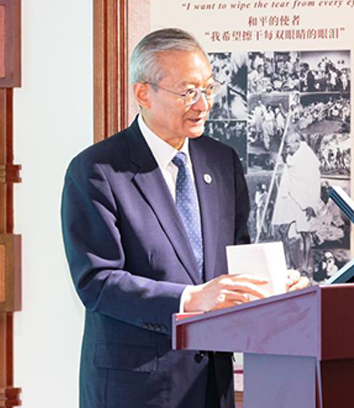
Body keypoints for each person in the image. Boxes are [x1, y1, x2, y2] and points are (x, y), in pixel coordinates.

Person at [62, 28, 309, 408]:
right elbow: (97, 282)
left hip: (212, 385)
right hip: (136, 389)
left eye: (208, 89)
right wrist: (190, 299)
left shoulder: (221, 161)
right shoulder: (97, 171)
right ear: (143, 93)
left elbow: (234, 257)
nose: (203, 104)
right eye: (188, 92)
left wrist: (273, 284)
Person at [271, 132, 323, 277]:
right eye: (286, 147)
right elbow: (287, 173)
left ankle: (305, 267)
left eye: (289, 146)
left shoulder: (309, 159)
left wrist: (311, 203)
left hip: (305, 202)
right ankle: (288, 264)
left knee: (305, 234)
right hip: (290, 197)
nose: (287, 150)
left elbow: (314, 182)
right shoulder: (290, 158)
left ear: (298, 143)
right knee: (283, 231)